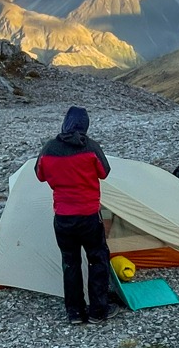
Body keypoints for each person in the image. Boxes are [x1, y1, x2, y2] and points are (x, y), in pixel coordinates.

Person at [34, 106, 119, 324]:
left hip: (63, 217)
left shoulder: (49, 148)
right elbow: (104, 172)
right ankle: (98, 311)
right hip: (89, 215)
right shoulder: (90, 146)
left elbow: (40, 175)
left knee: (70, 263)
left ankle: (75, 312)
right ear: (85, 125)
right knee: (97, 260)